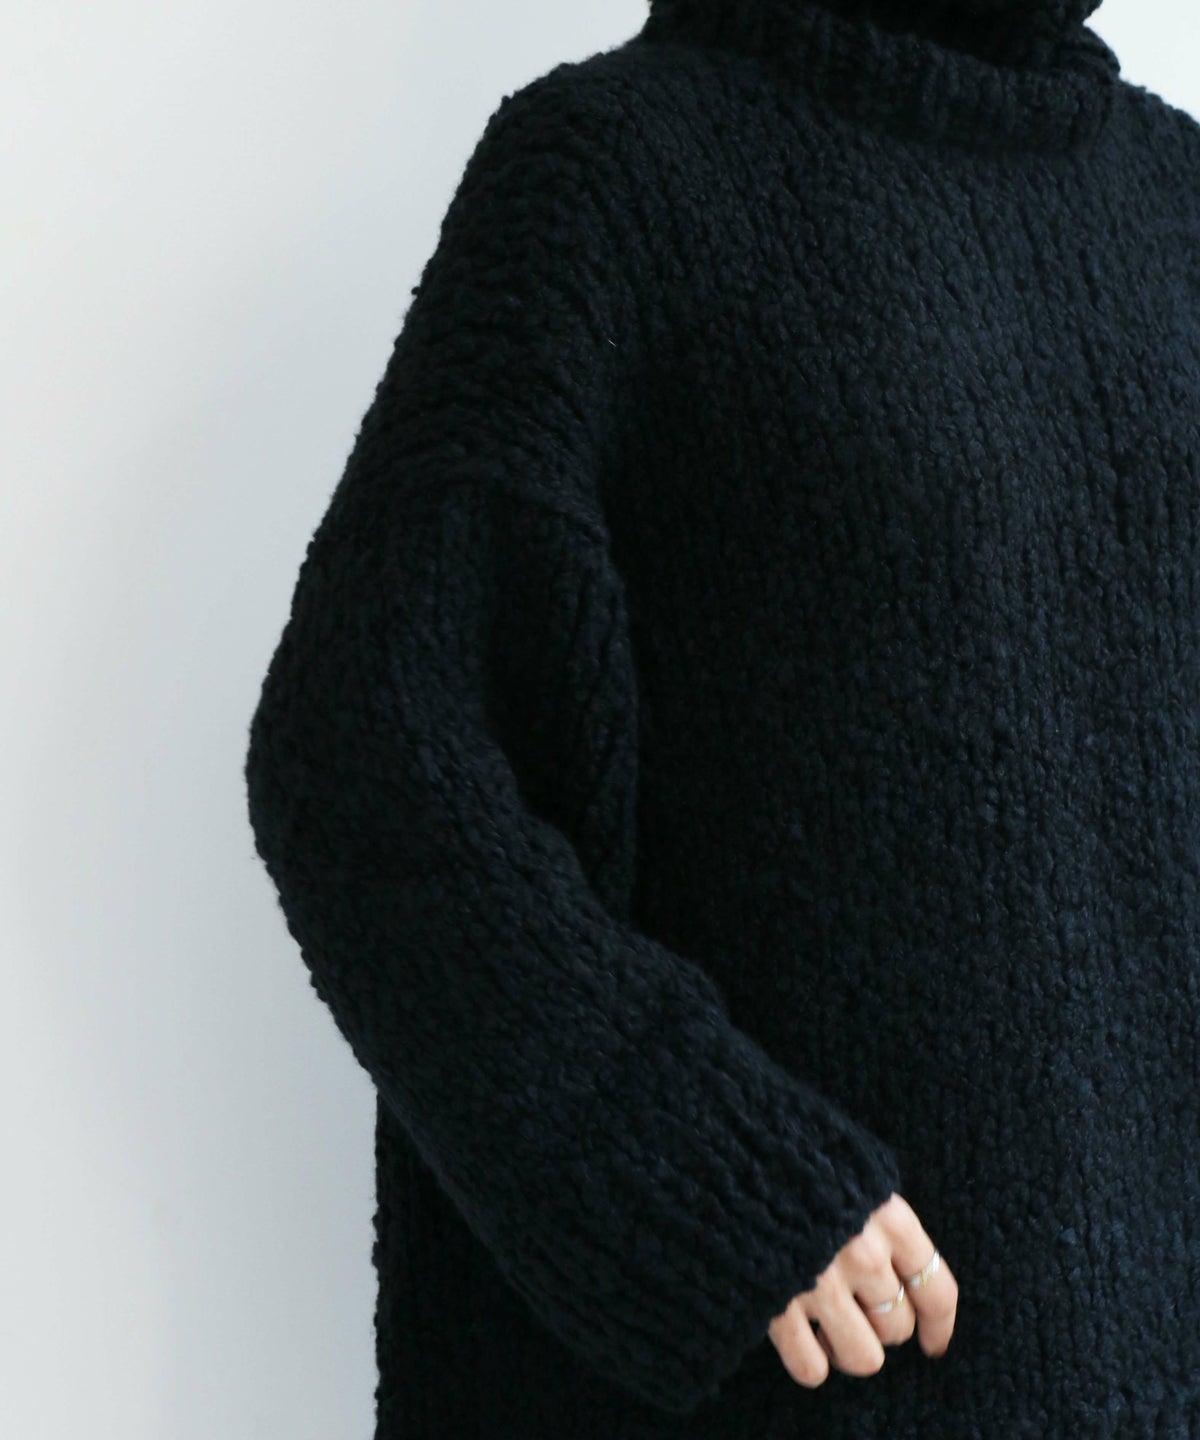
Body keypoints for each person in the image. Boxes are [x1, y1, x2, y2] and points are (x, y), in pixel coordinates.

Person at [243, 0, 1200, 1435]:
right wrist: (696, 1166)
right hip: (797, 1377)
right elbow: (366, 745)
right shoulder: (612, 175)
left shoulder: (1172, 197)